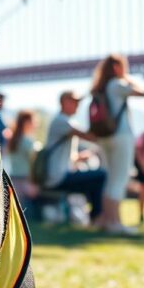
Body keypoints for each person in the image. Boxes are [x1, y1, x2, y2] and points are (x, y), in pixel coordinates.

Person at [91, 54, 144, 234]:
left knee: (111, 179)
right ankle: (115, 223)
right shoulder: (117, 84)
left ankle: (107, 220)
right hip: (121, 136)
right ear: (117, 68)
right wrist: (127, 78)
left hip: (105, 137)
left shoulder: (103, 87)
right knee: (119, 179)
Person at [42, 91, 105, 225]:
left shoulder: (65, 121)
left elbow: (69, 157)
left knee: (94, 179)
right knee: (101, 176)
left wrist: (82, 157)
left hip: (61, 175)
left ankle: (93, 217)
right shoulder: (62, 121)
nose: (78, 105)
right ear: (64, 102)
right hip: (58, 177)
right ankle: (96, 218)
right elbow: (89, 136)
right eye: (75, 102)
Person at [6, 110, 39, 199]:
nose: (36, 125)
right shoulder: (27, 141)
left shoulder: (13, 139)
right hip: (25, 183)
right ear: (26, 122)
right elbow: (33, 164)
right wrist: (32, 183)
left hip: (13, 181)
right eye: (34, 121)